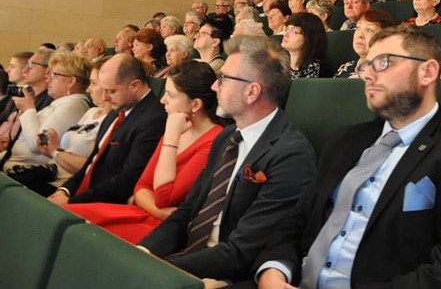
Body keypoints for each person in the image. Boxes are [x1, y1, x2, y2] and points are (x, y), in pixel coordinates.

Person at [254, 26, 441, 288]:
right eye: (366, 66)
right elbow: (297, 220)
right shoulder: (345, 141)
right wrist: (274, 269)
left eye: (383, 63)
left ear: (428, 72)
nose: (368, 75)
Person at [138, 36, 316, 283]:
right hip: (189, 259)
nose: (214, 87)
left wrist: (162, 269)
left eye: (223, 79)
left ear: (252, 91)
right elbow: (188, 211)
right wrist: (144, 252)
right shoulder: (227, 137)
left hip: (228, 274)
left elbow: (241, 251)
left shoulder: (291, 155)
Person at [65, 61, 226, 244]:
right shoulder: (175, 125)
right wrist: (156, 209)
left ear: (195, 104)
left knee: (80, 235)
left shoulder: (213, 140)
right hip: (149, 215)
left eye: (170, 95)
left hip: (163, 231)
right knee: (68, 216)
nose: (163, 99)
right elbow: (141, 186)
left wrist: (171, 138)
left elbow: (164, 197)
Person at [48, 54, 167, 205]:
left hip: (105, 205)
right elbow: (92, 163)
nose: (105, 97)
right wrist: (64, 190)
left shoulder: (154, 119)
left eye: (111, 91)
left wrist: (72, 201)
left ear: (135, 85)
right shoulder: (116, 112)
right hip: (85, 197)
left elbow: (127, 180)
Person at [2, 52, 91, 188]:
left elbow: (38, 145)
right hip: (13, 165)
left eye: (54, 75)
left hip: (27, 173)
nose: (47, 79)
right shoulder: (62, 103)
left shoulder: (74, 104)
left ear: (71, 81)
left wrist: (28, 109)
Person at [33, 58, 112, 197]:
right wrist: (51, 151)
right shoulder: (91, 112)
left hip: (64, 184)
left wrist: (56, 152)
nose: (89, 89)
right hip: (50, 173)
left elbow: (93, 168)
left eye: (93, 83)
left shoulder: (113, 120)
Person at [334, 10, 394, 79]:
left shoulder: (389, 74)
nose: (360, 35)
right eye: (358, 28)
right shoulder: (346, 67)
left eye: (369, 30)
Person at [281, 12, 331, 78]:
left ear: (309, 37)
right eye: (287, 29)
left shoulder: (318, 68)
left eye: (293, 31)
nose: (285, 34)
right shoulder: (280, 64)